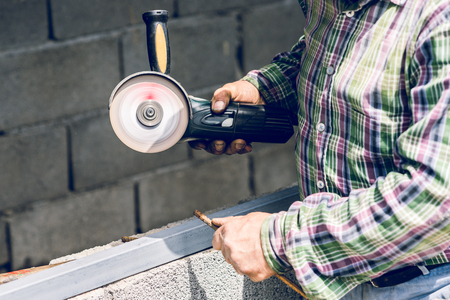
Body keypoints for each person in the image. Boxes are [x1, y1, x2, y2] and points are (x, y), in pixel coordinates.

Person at [190, 0, 450, 299]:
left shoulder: (438, 18)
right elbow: (330, 48)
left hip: (425, 284)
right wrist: (266, 91)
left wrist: (277, 241)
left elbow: (436, 197)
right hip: (341, 277)